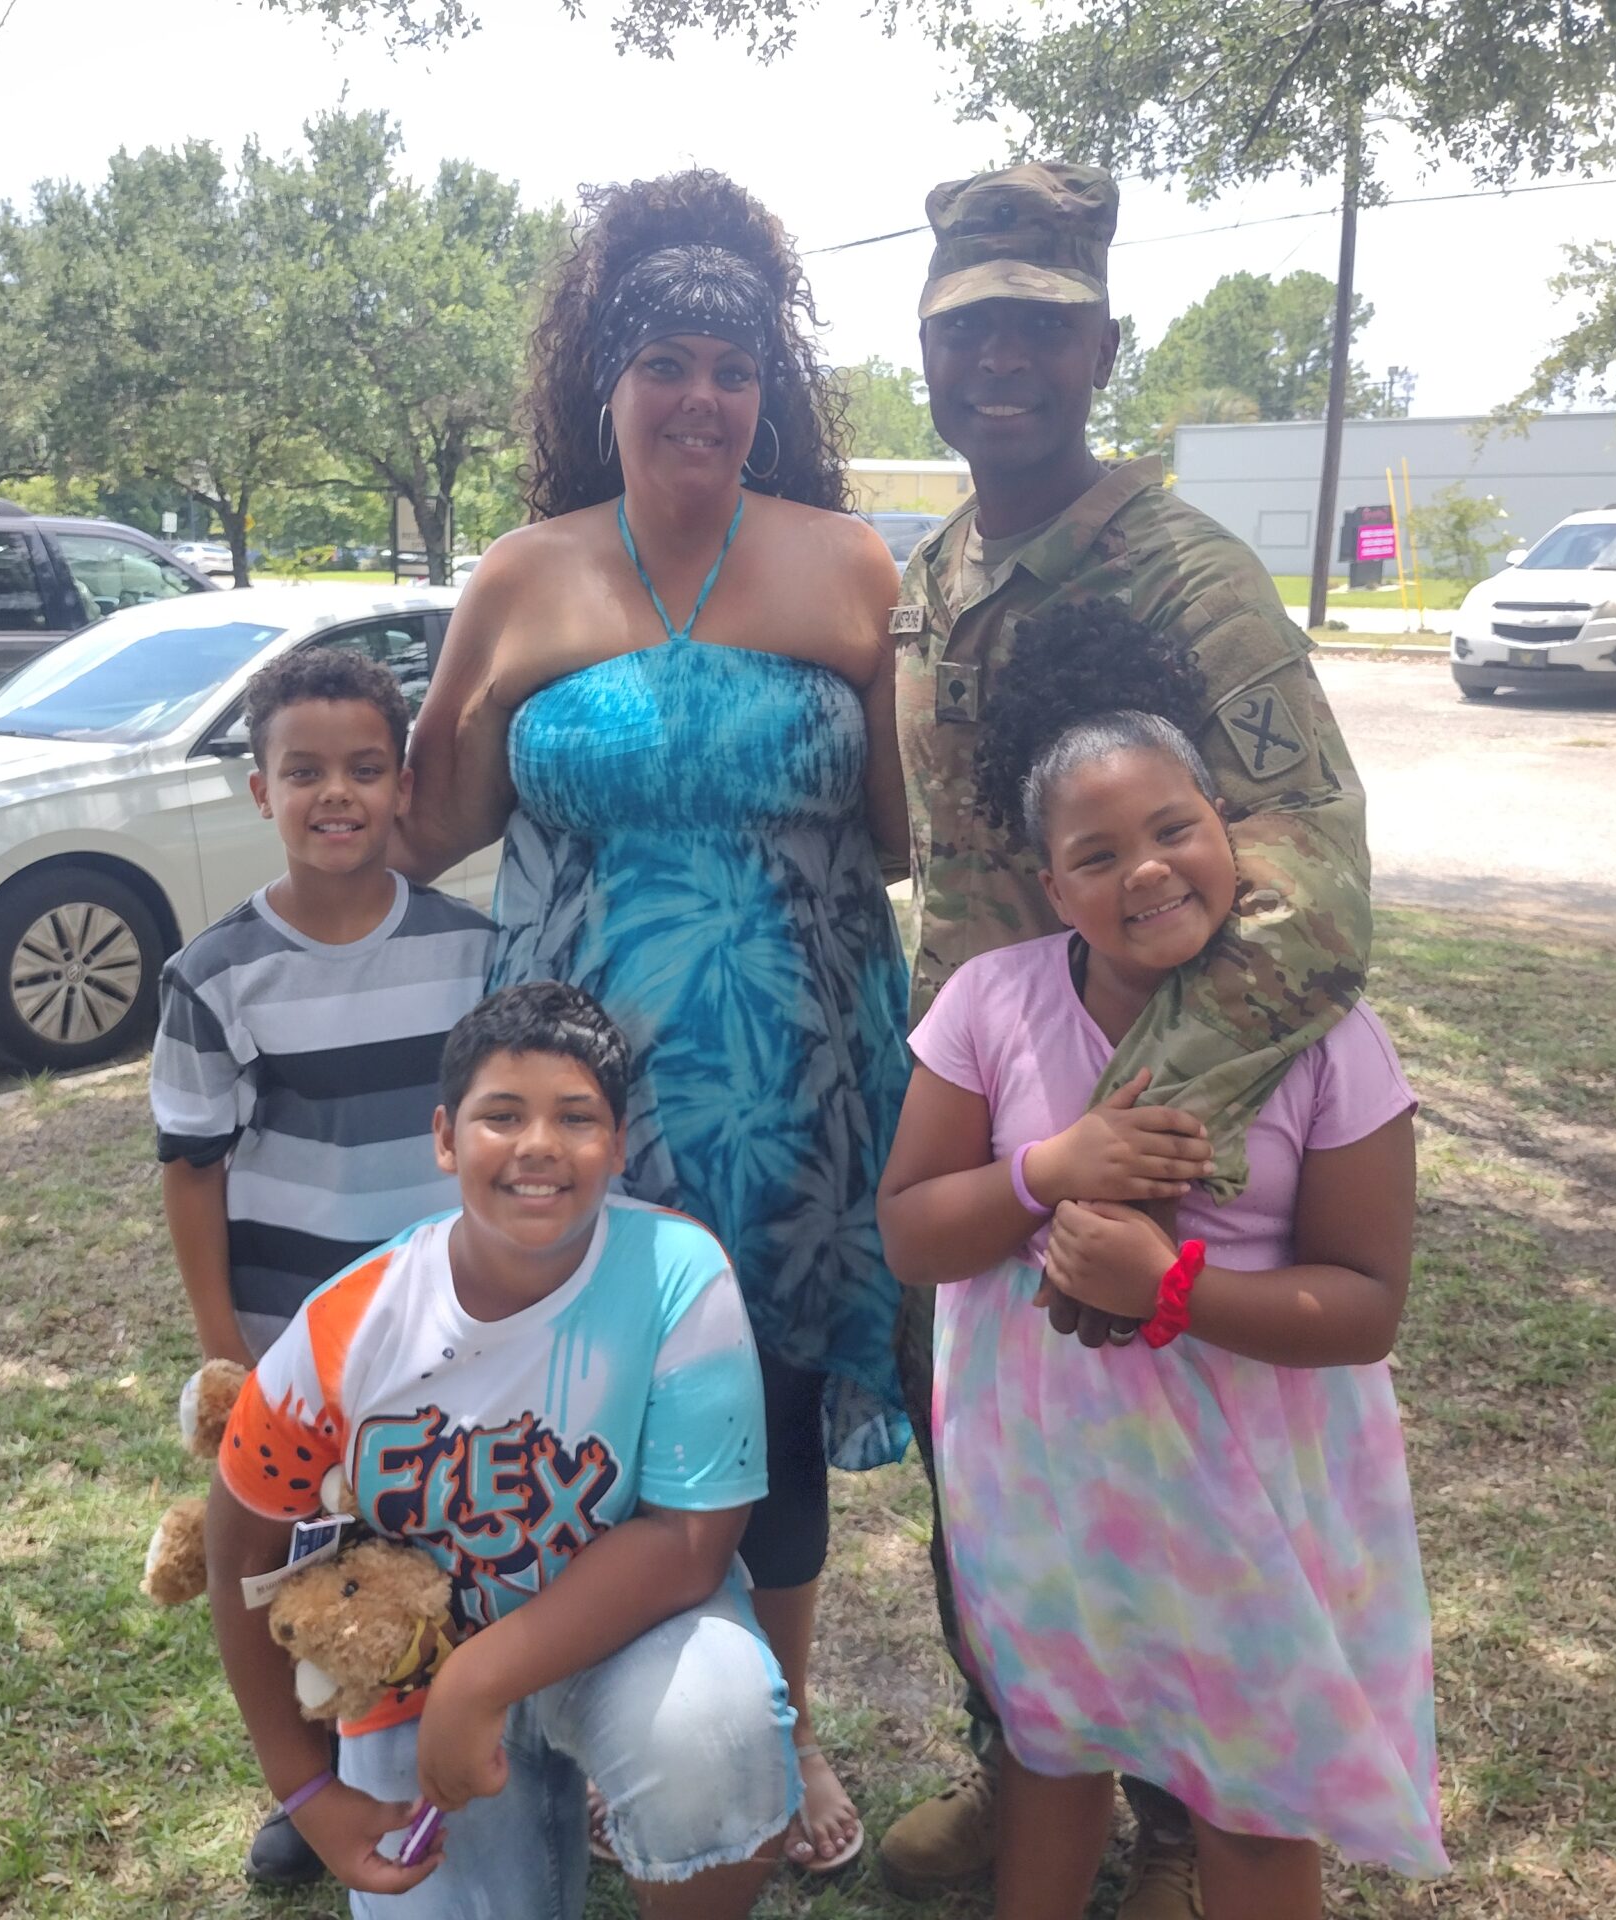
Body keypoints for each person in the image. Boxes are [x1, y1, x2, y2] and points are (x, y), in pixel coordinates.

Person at [879, 161, 1376, 1918]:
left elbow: (1310, 873)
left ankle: (1185, 1819)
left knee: (1183, 1498)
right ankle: (1023, 1747)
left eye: (1039, 324)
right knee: (1000, 1487)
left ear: (1102, 347)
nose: (1000, 357)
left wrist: (1131, 1166)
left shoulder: (1184, 571)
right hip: (984, 1108)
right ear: (927, 355)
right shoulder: (925, 577)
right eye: (968, 328)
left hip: (1139, 1147)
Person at [405, 170, 907, 1875]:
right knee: (583, 1383)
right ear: (603, 386)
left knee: (763, 1394)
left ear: (769, 394)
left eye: (736, 367)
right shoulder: (524, 578)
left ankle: (781, 1717)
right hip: (571, 1078)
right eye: (669, 362)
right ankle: (565, 1698)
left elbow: (907, 835)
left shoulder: (850, 570)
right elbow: (434, 825)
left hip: (797, 1071)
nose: (704, 396)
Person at [877, 601, 1443, 1920]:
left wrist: (1169, 1288)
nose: (1147, 871)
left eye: (1175, 829)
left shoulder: (1318, 1036)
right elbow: (910, 1225)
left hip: (1248, 1485)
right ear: (1050, 881)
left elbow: (1364, 1306)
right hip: (1051, 1482)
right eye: (1098, 853)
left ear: (1228, 834)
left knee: (1254, 1802)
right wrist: (1049, 1172)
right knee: (1054, 1753)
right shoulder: (993, 1005)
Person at [202, 982, 799, 1919]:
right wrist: (307, 1791)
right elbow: (240, 1539)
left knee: (710, 1736)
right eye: (502, 1115)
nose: (538, 1146)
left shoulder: (678, 1274)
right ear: (444, 1137)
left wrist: (481, 1676)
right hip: (409, 1671)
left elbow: (691, 1544)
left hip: (621, 1635)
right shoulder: (348, 1327)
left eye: (576, 1117)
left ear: (619, 1145)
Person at [152, 645, 494, 1885]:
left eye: (363, 769)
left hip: (448, 1319)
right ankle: (311, 1788)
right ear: (260, 792)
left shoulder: (475, 950)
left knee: (433, 1537)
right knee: (294, 1567)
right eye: (303, 772)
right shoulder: (213, 976)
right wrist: (223, 1348)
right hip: (292, 1327)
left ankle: (440, 1754)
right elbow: (192, 1169)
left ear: (405, 786)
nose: (334, 795)